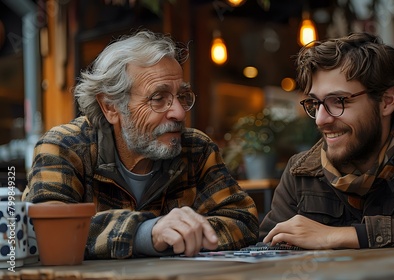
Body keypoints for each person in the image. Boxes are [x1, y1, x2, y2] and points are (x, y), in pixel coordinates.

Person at [22, 30, 259, 259]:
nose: (178, 112)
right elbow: (47, 230)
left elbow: (242, 221)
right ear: (111, 107)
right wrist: (146, 233)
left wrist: (178, 236)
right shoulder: (65, 147)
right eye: (159, 98)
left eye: (182, 97)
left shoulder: (196, 149)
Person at [260, 32, 394, 249]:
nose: (320, 119)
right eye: (315, 103)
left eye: (337, 101)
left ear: (386, 101)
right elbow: (266, 248)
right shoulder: (300, 173)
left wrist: (339, 237)